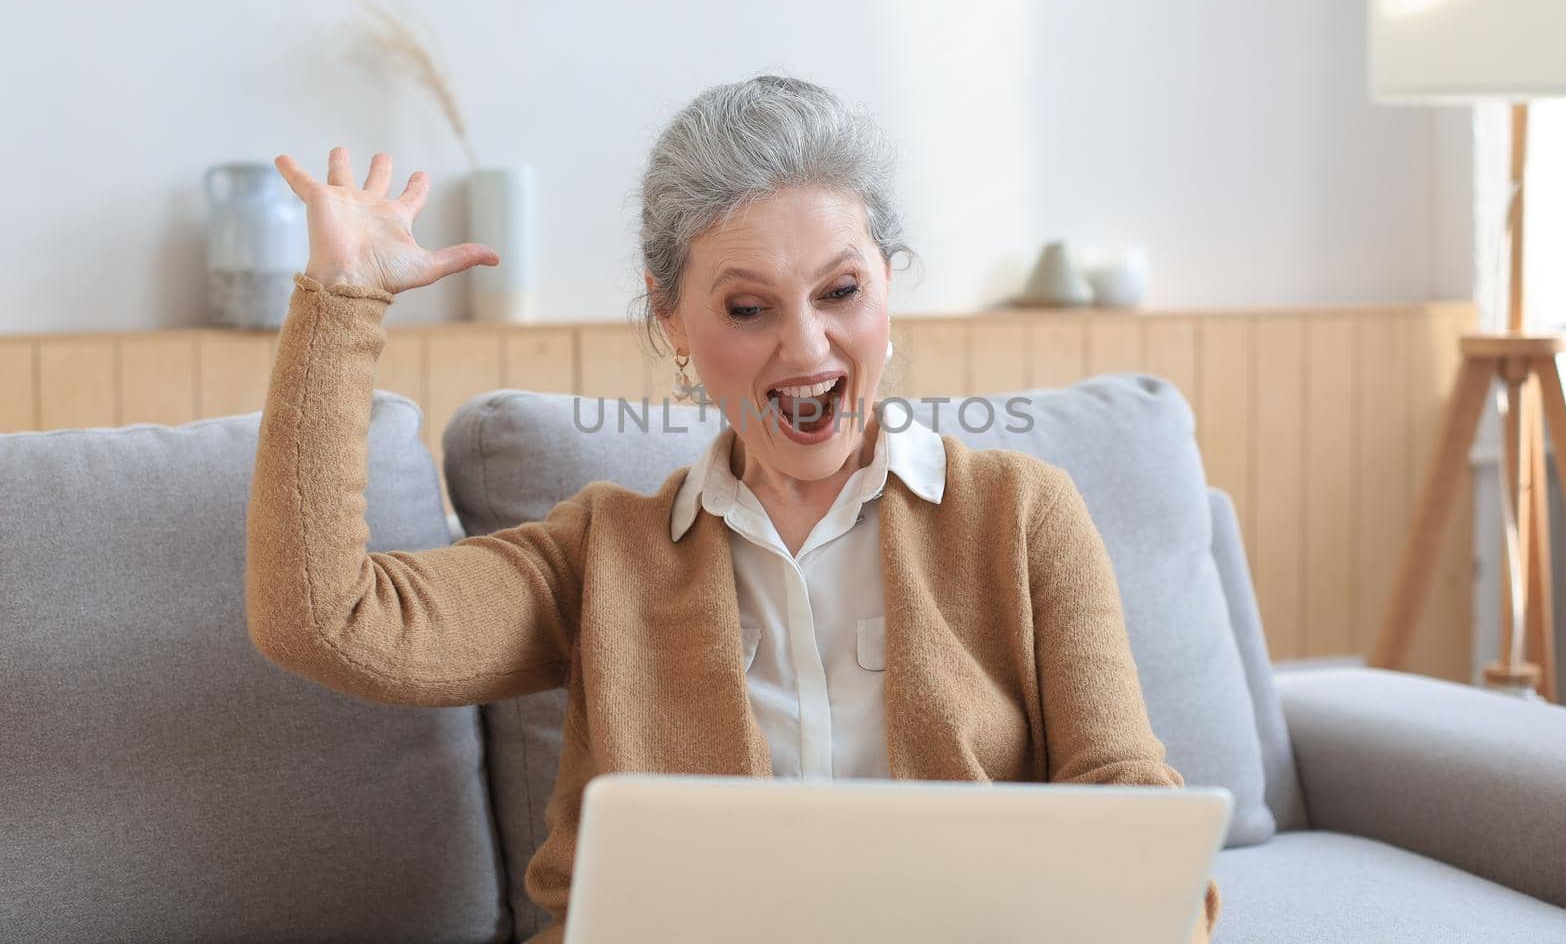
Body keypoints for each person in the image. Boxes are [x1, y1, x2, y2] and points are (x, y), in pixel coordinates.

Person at [245, 74, 1220, 944]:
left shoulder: (1019, 514)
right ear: (671, 321)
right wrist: (342, 298)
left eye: (840, 290)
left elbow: (1128, 810)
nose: (806, 349)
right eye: (748, 308)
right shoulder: (605, 554)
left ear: (888, 282)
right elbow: (325, 618)